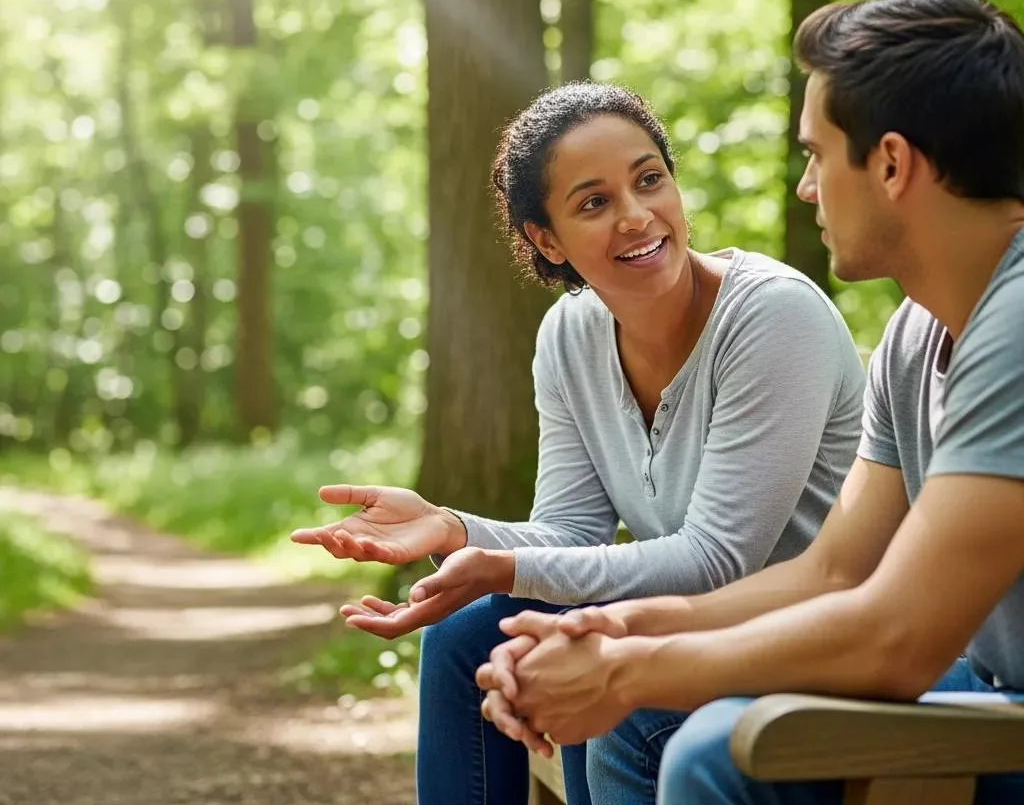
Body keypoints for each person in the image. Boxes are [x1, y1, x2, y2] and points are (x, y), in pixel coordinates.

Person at [477, 0, 1024, 805]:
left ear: (891, 163)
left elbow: (900, 639)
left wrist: (632, 669)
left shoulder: (1014, 324)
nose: (807, 189)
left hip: (992, 707)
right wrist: (613, 627)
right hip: (983, 687)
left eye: (815, 155)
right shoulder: (916, 333)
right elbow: (835, 573)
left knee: (704, 749)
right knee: (626, 706)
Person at [290, 82, 866, 805]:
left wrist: (498, 567)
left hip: (795, 630)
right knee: (465, 638)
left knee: (610, 682)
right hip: (680, 622)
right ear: (546, 239)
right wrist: (455, 528)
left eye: (649, 179)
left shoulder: (773, 317)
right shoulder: (570, 335)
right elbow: (570, 533)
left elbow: (719, 559)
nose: (636, 216)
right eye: (594, 202)